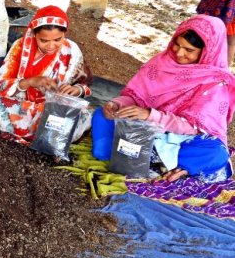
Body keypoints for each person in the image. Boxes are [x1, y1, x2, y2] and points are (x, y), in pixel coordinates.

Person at [92, 14, 235, 182]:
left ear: (207, 51)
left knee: (215, 152)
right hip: (142, 129)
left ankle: (131, 154)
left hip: (176, 139)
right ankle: (153, 161)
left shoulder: (216, 83)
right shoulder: (162, 62)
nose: (179, 53)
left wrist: (151, 115)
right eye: (177, 44)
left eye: (189, 50)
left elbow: (194, 128)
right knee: (102, 115)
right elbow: (135, 97)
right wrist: (117, 104)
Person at [0, 5, 92, 142]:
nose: (51, 46)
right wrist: (30, 82)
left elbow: (84, 83)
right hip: (19, 107)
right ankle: (47, 137)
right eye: (44, 40)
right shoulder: (20, 47)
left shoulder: (71, 51)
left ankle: (35, 134)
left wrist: (76, 90)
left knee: (86, 115)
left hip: (52, 112)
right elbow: (1, 86)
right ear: (34, 34)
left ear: (64, 34)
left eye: (57, 39)